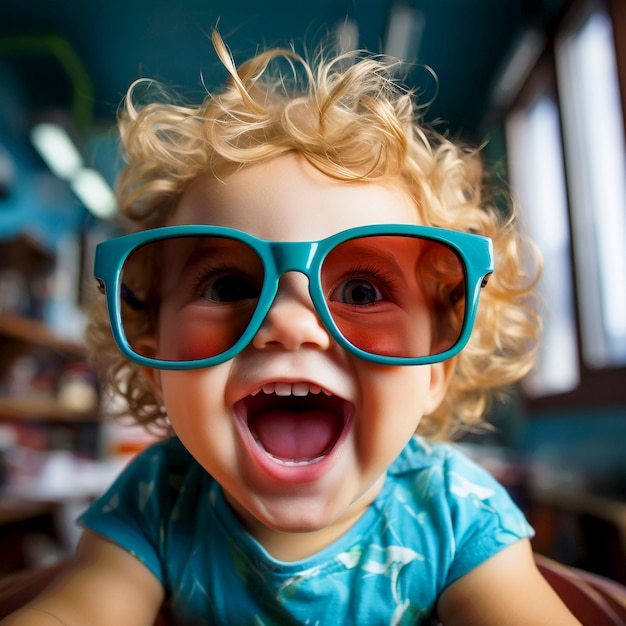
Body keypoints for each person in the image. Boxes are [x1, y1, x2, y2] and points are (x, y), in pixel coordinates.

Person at [1, 31, 581, 626]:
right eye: (229, 287)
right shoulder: (158, 499)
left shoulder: (457, 512)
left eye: (361, 292)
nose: (289, 324)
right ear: (154, 362)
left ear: (436, 367)